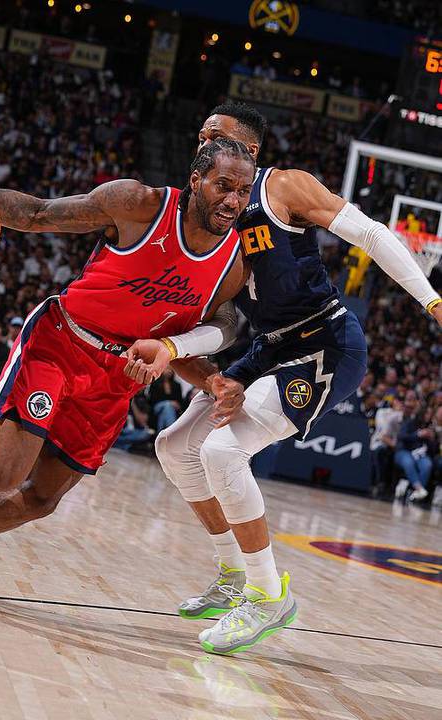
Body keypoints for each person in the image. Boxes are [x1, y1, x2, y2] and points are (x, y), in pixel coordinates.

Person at [0, 138, 254, 597]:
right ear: (196, 180)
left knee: (40, 499)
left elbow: (184, 344)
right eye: (223, 186)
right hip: (61, 343)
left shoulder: (232, 262)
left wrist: (213, 380)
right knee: (1, 475)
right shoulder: (138, 205)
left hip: (115, 380)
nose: (233, 200)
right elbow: (39, 214)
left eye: (243, 191)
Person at [123, 100, 442, 655]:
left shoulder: (283, 187)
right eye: (201, 135)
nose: (202, 142)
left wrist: (432, 300)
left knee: (223, 451)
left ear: (247, 150)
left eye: (214, 135)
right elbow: (224, 323)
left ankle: (268, 595)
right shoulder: (209, 213)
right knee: (174, 446)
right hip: (268, 345)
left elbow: (371, 235)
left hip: (325, 343)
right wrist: (176, 347)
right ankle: (233, 576)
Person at [393, 390, 435, 502]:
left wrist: (431, 439)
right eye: (427, 413)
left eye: (430, 414)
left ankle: (414, 492)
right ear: (422, 413)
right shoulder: (410, 422)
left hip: (420, 454)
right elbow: (401, 436)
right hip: (403, 451)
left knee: (427, 464)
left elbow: (432, 449)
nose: (429, 416)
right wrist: (418, 434)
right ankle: (419, 488)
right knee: (409, 461)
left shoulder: (430, 427)